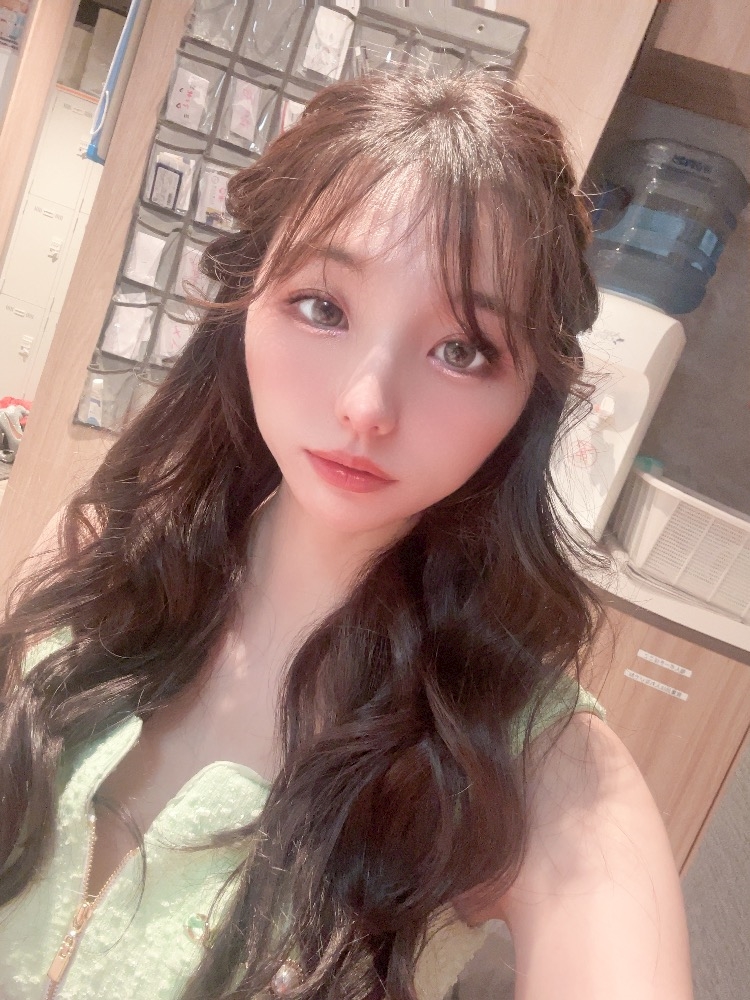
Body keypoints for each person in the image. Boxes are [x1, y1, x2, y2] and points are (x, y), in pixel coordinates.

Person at [0, 71, 692, 1000]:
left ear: (530, 395)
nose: (367, 405)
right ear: (248, 299)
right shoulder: (97, 556)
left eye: (461, 350)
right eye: (322, 307)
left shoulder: (535, 757)